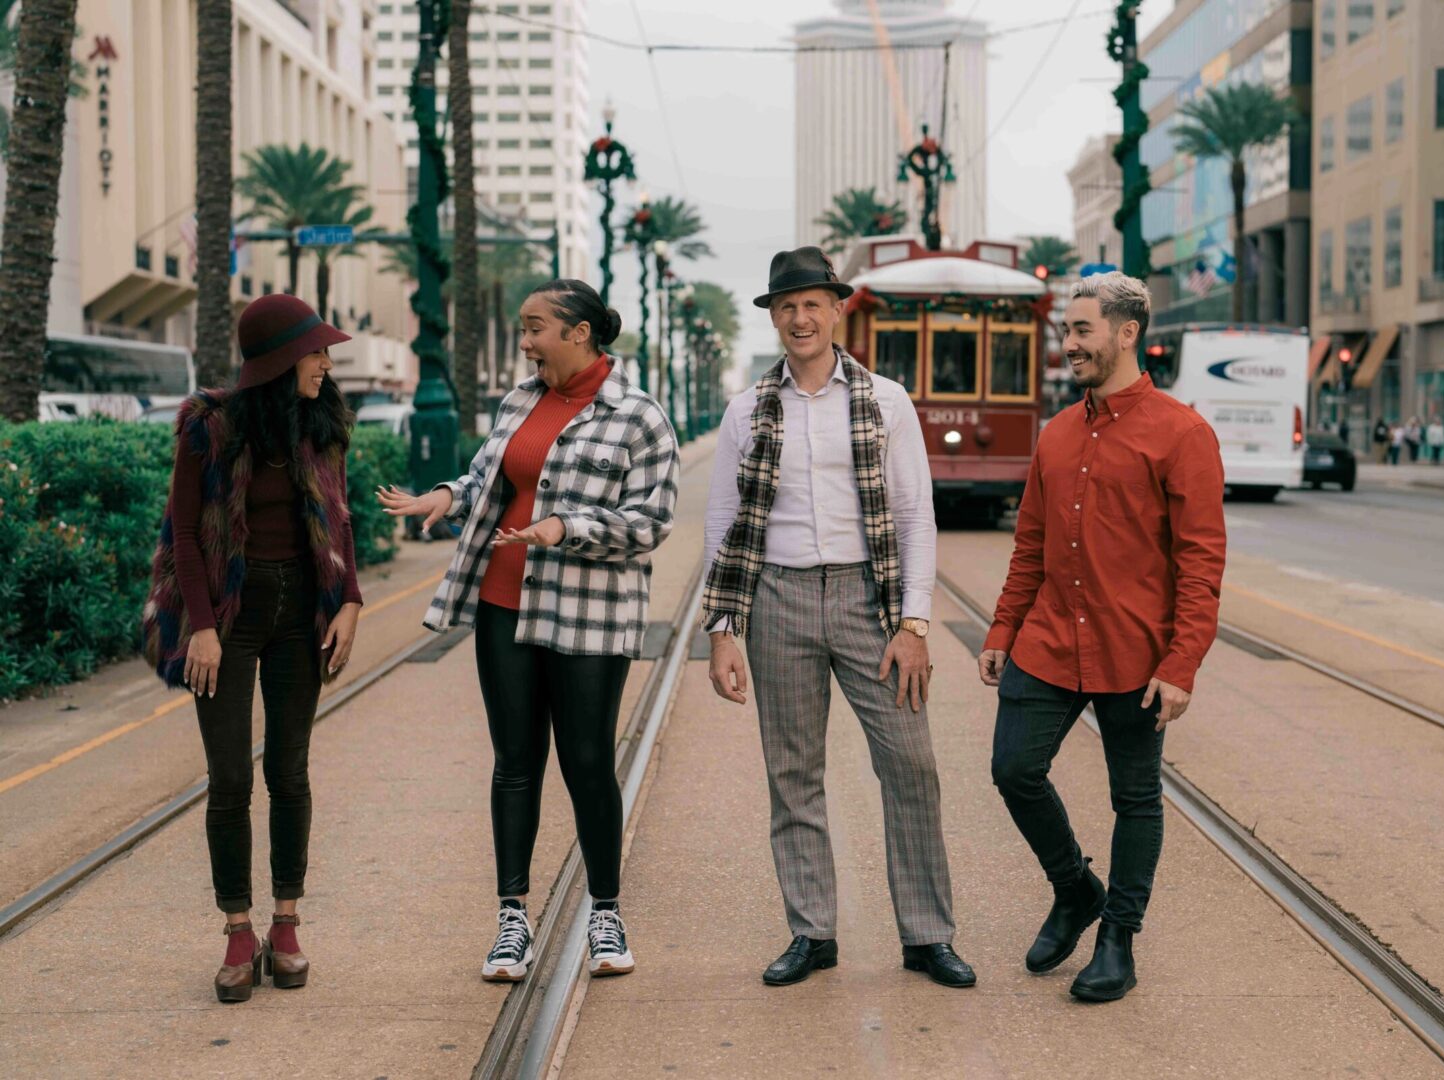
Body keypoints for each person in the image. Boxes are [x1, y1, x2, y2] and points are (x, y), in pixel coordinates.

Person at [377, 280, 678, 983]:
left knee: (587, 761)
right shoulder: (521, 399)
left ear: (579, 333)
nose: (525, 341)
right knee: (514, 763)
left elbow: (650, 522)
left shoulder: (639, 418)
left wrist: (565, 528)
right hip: (503, 603)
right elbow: (487, 474)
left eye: (535, 327)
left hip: (590, 614)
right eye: (523, 327)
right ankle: (512, 920)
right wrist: (443, 495)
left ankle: (605, 912)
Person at [703, 246, 974, 990]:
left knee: (911, 764)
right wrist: (723, 631)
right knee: (793, 773)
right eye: (787, 306)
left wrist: (913, 626)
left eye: (812, 303)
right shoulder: (747, 409)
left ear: (836, 309)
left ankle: (926, 936)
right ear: (775, 317)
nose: (800, 318)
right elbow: (724, 522)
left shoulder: (886, 401)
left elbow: (917, 517)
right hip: (778, 599)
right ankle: (811, 931)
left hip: (868, 599)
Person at [979, 272, 1226, 1003]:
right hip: (1049, 640)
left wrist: (1182, 663)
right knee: (1013, 770)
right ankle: (1075, 889)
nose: (1070, 344)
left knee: (1135, 798)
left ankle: (1118, 937)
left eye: (1081, 330)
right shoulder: (1056, 434)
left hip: (1136, 653)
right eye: (1067, 332)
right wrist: (1002, 626)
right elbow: (1029, 543)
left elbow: (1202, 559)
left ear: (1127, 333)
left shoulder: (1183, 433)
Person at [142, 294, 364, 1003]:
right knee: (231, 778)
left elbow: (339, 516)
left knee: (290, 774)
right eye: (317, 352)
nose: (327, 364)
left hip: (302, 609)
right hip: (229, 616)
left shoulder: (321, 420)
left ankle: (287, 924)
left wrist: (351, 599)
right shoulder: (211, 427)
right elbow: (183, 532)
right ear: (280, 360)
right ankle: (239, 932)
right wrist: (202, 625)